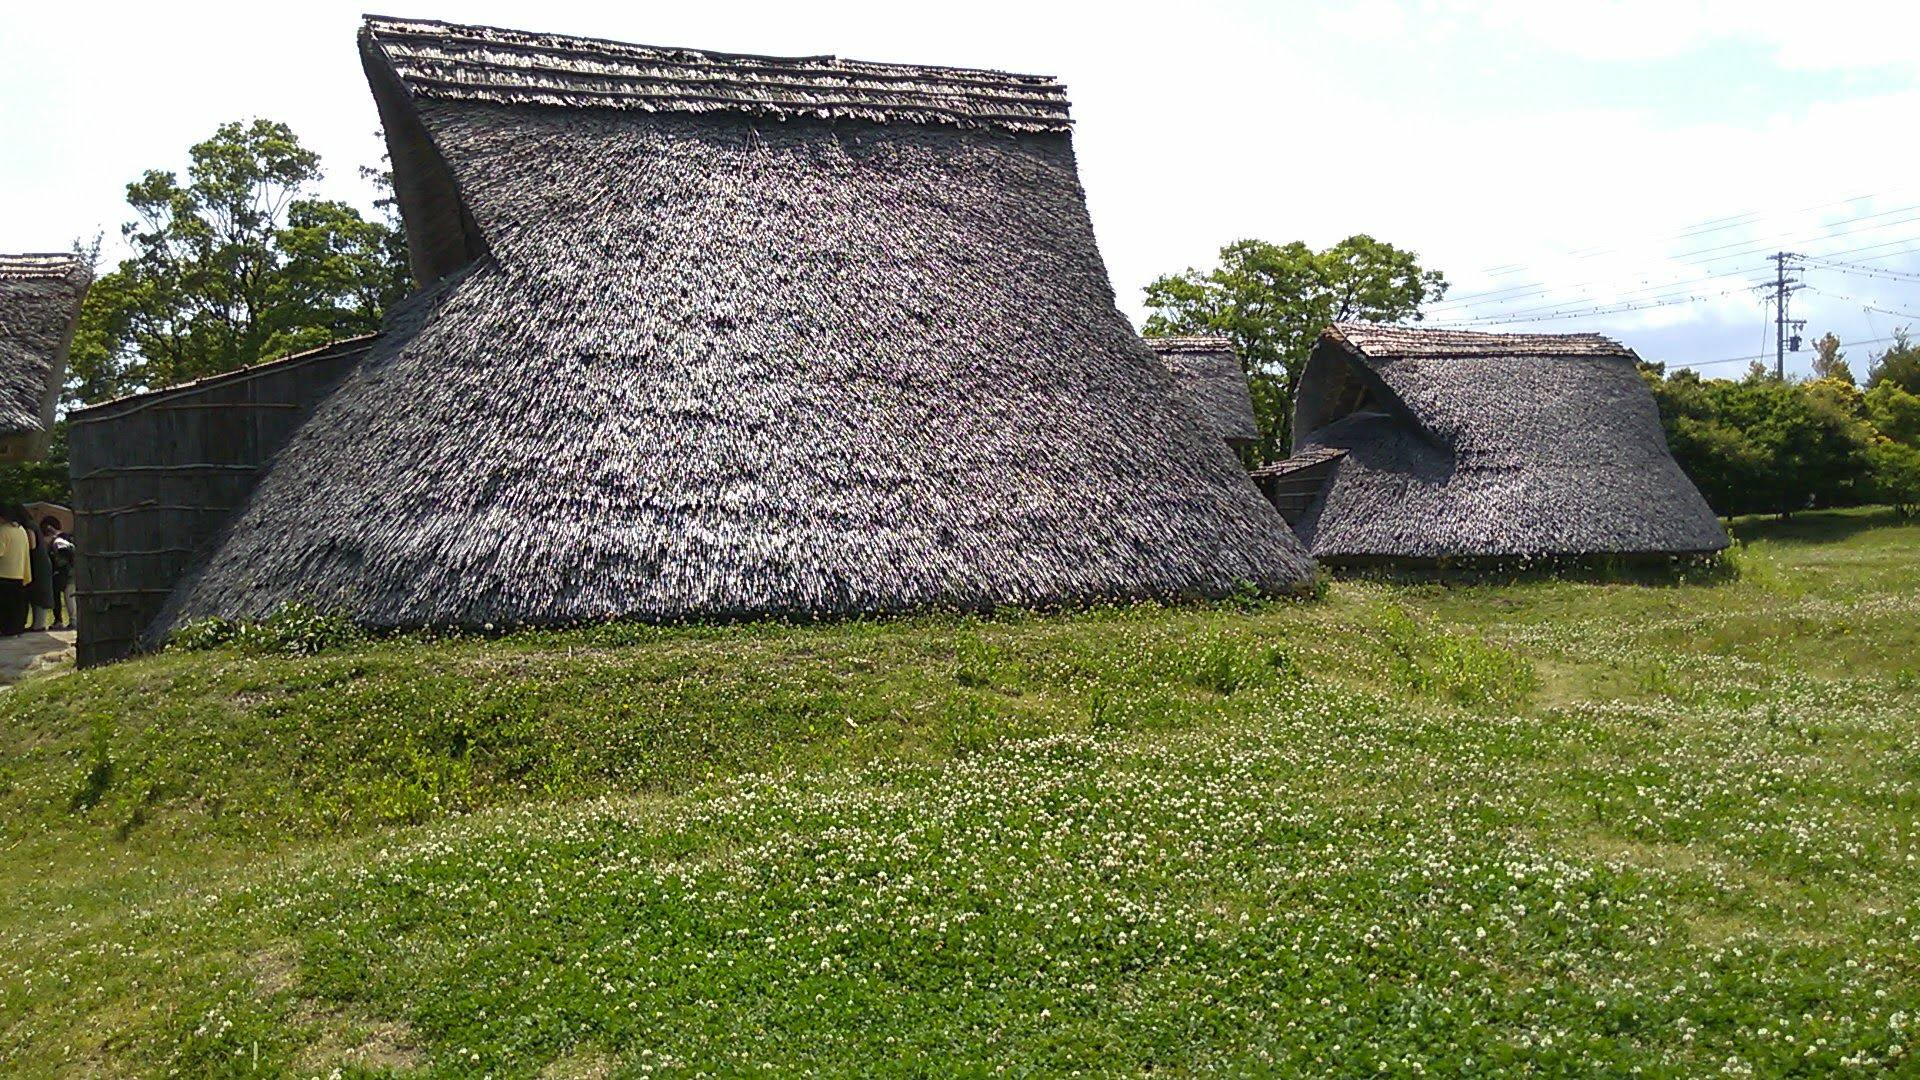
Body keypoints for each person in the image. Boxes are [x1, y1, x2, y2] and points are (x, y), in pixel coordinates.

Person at [0, 507, 31, 637]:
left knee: (4, 606)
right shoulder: (22, 530)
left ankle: (6, 630)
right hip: (19, 572)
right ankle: (16, 630)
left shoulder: (2, 531)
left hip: (4, 573)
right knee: (16, 605)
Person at [43, 518, 74, 630]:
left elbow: (65, 551)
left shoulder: (57, 541)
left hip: (63, 572)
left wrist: (60, 566)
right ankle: (73, 620)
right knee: (69, 596)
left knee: (60, 596)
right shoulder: (66, 537)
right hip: (69, 571)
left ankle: (60, 621)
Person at [27, 516, 54, 631]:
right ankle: (38, 623)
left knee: (39, 593)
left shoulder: (30, 527)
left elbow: (32, 545)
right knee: (38, 593)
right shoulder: (34, 526)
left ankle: (39, 624)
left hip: (38, 564)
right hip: (41, 563)